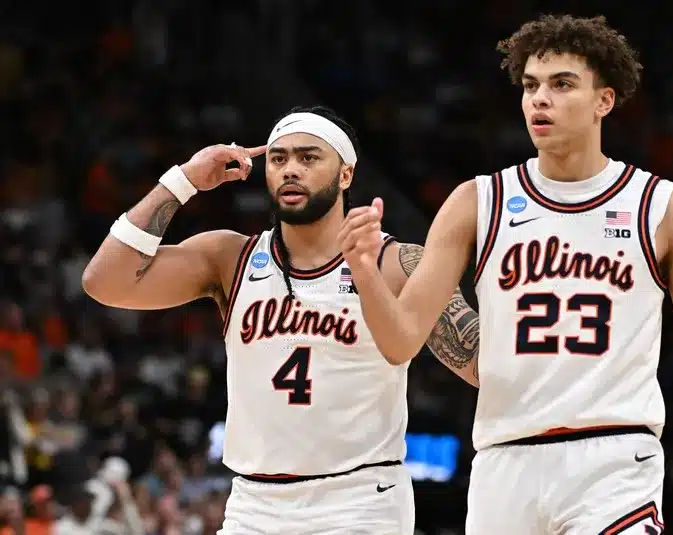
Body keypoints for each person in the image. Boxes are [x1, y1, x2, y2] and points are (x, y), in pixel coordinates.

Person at [337, 14, 673, 535]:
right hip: (505, 459)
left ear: (604, 101)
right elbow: (400, 342)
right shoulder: (476, 202)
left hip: (615, 456)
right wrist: (365, 273)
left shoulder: (663, 207)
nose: (539, 99)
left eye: (561, 85)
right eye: (531, 85)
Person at [82, 105, 481, 534]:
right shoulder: (230, 257)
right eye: (279, 158)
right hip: (254, 504)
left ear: (345, 175)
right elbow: (105, 281)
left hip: (359, 500)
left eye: (308, 158)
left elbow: (481, 364)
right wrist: (184, 181)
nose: (291, 169)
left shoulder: (395, 262)